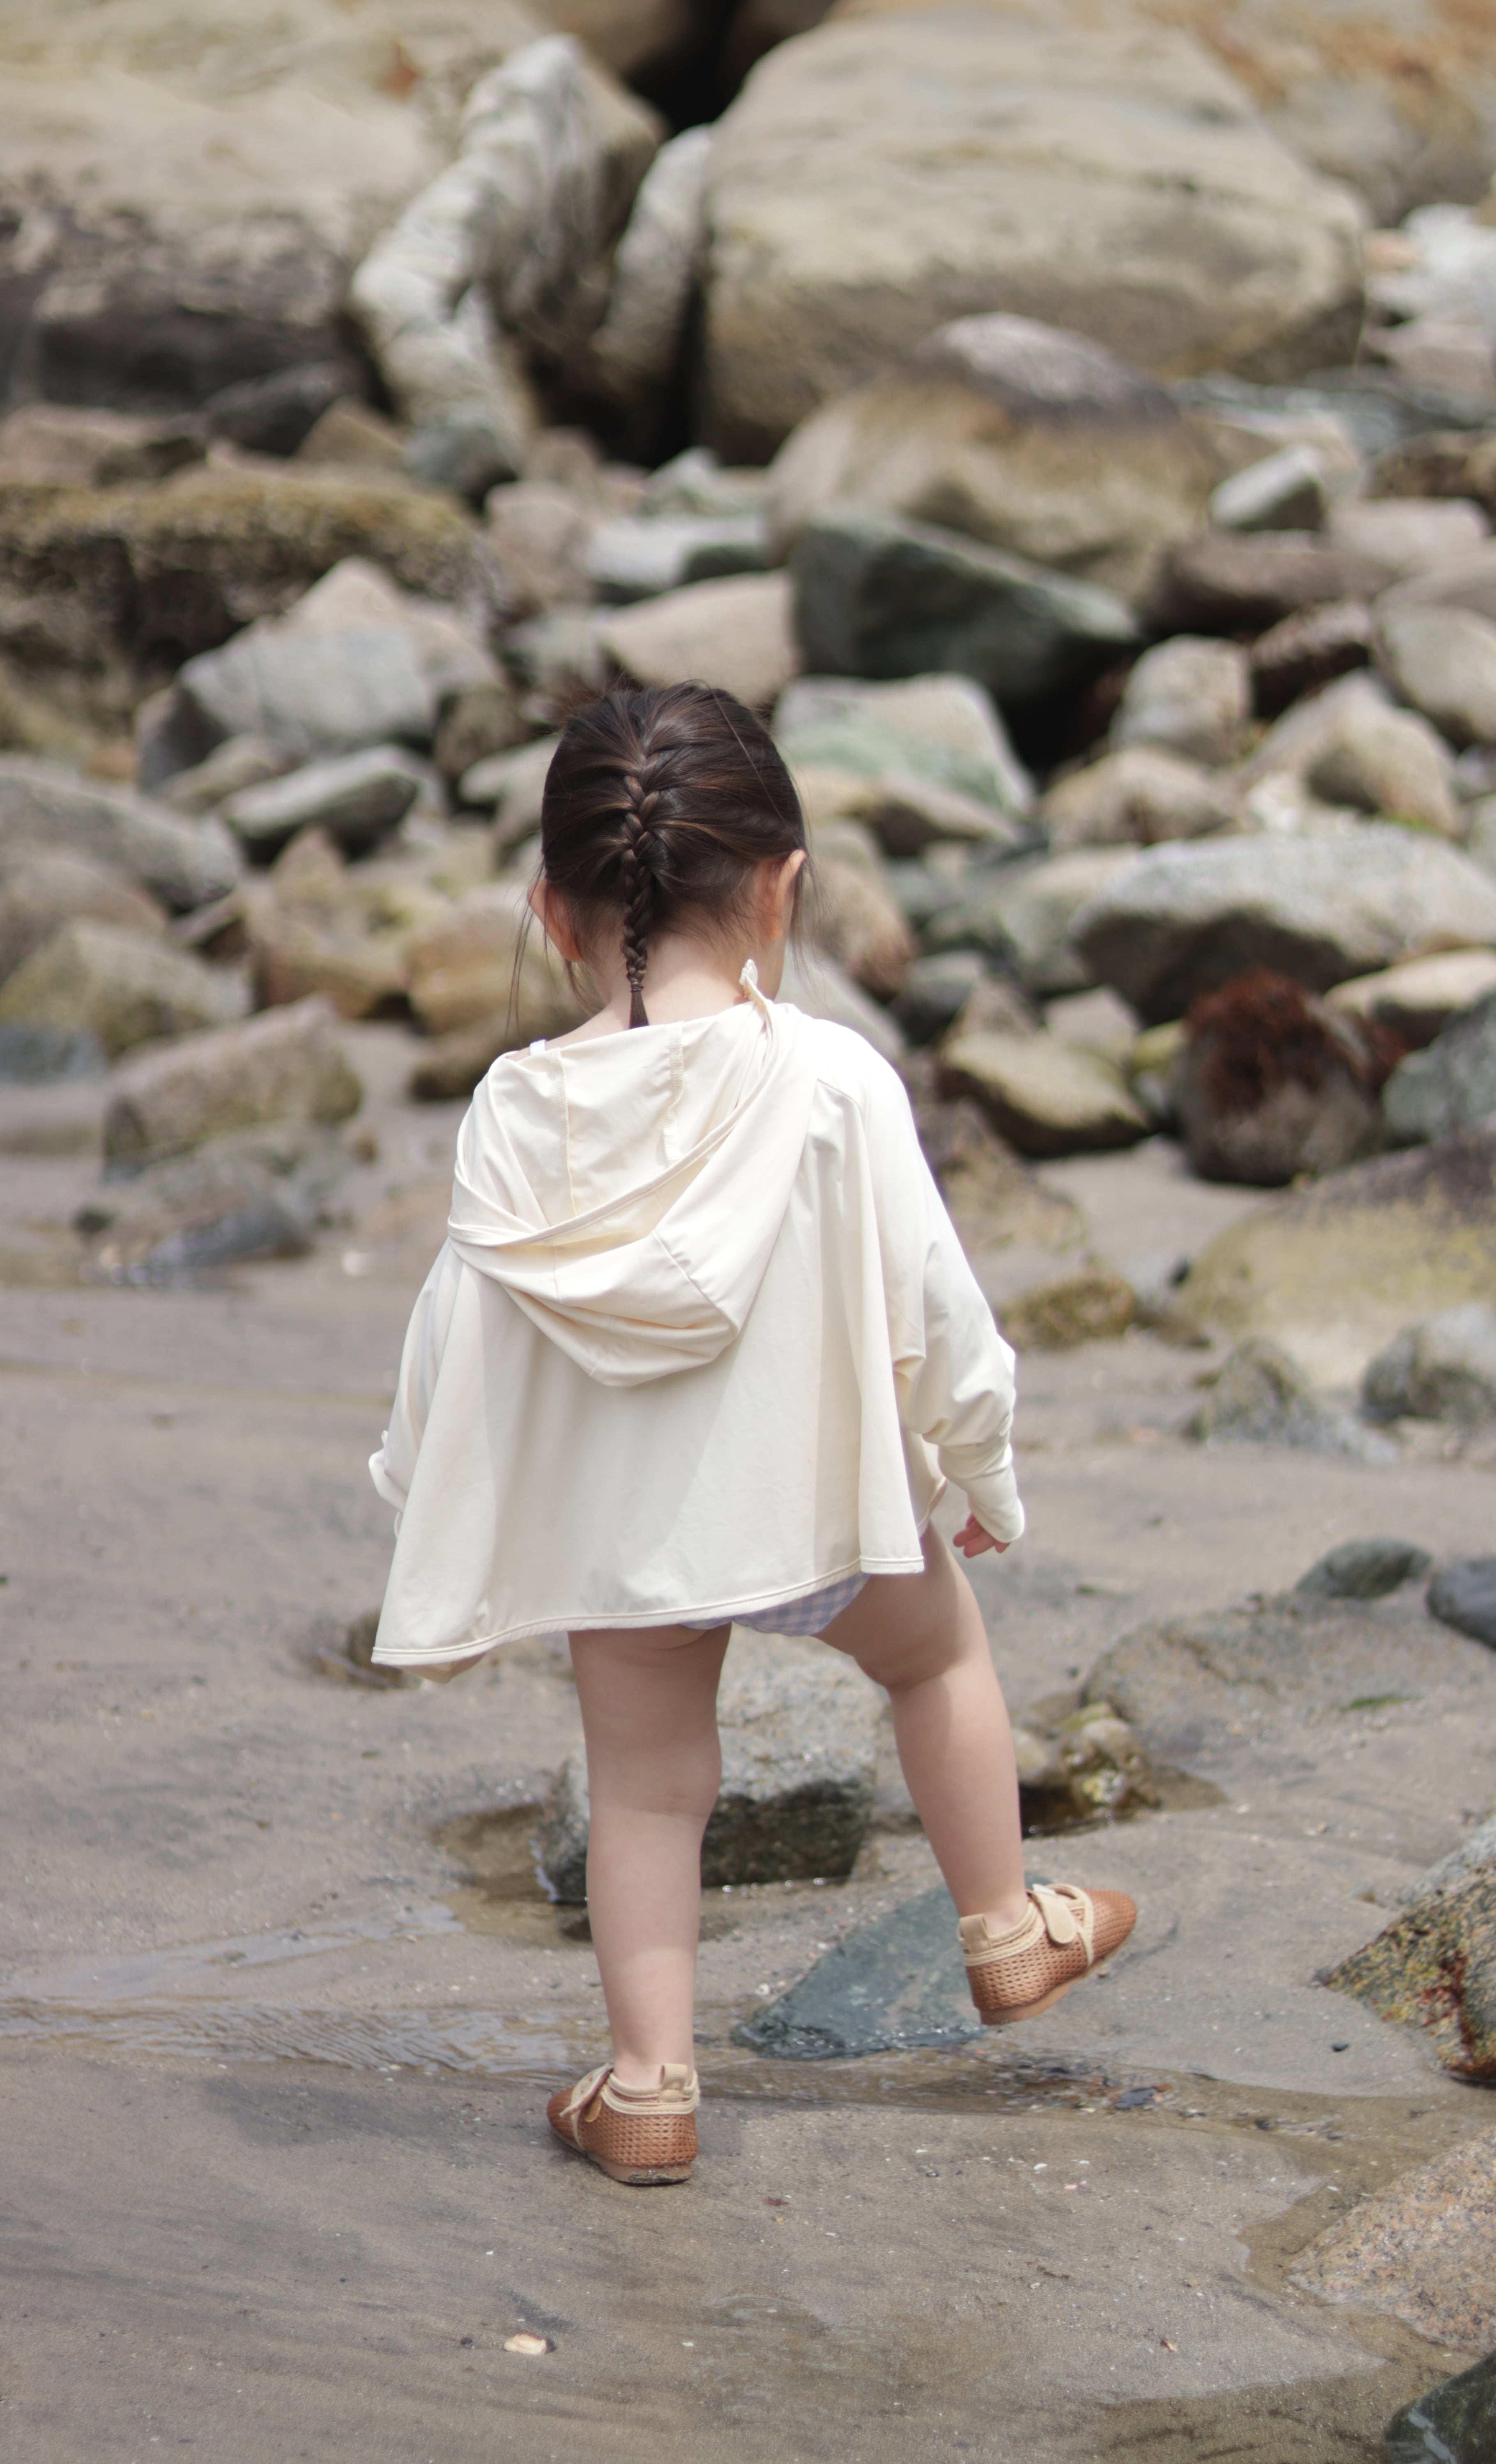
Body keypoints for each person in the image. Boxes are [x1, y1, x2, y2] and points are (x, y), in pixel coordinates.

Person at [368, 682, 1136, 2186]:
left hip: (625, 1540)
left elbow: (452, 1331)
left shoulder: (514, 1110)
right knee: (938, 1656)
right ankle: (1004, 1929)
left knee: (648, 1790)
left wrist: (419, 1488)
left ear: (551, 912)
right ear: (783, 891)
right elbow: (937, 1307)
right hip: (816, 1511)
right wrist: (977, 1466)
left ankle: (652, 2088)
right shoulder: (833, 1078)